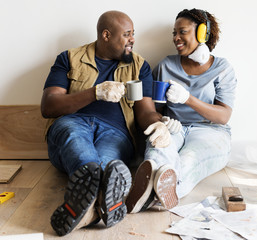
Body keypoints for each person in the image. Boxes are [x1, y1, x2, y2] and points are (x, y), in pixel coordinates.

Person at [41, 10, 177, 236]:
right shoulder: (69, 58)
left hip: (115, 132)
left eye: (133, 34)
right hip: (72, 122)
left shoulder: (139, 66)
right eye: (127, 34)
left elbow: (145, 113)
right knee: (77, 143)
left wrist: (159, 123)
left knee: (108, 164)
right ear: (106, 35)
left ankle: (86, 210)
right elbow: (49, 106)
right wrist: (95, 93)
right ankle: (104, 199)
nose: (132, 39)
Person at [126, 8, 237, 213]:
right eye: (174, 33)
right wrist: (162, 122)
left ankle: (160, 192)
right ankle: (150, 189)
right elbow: (154, 109)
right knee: (158, 149)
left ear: (202, 33)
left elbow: (223, 116)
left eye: (182, 32)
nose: (176, 38)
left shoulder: (222, 68)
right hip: (174, 126)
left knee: (188, 159)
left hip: (210, 132)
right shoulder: (166, 65)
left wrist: (188, 99)